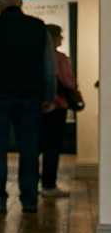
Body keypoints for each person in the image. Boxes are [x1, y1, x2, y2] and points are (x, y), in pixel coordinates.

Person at [0, 0, 56, 214]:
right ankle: (29, 199)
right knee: (29, 149)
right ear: (20, 4)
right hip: (30, 96)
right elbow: (49, 67)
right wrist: (48, 95)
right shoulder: (38, 27)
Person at [38, 23, 80, 197]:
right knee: (52, 146)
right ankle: (49, 184)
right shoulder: (60, 58)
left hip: (36, 107)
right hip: (57, 105)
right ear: (53, 38)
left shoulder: (34, 56)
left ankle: (30, 183)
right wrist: (77, 96)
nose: (62, 38)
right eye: (60, 35)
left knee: (35, 145)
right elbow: (69, 82)